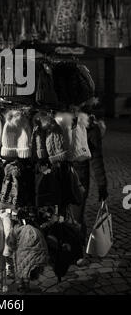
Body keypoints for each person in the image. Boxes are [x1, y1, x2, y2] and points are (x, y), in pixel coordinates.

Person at [71, 109, 108, 266]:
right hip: (59, 175)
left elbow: (96, 160)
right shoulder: (57, 119)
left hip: (78, 178)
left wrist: (102, 185)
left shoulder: (90, 127)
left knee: (76, 216)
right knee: (67, 215)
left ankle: (78, 251)